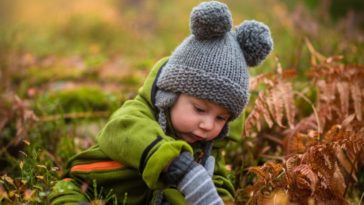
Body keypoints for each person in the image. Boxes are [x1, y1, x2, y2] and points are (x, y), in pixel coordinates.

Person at [49, 1, 273, 204]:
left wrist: (217, 197)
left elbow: (217, 182)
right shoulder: (138, 115)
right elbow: (121, 130)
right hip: (89, 188)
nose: (207, 124)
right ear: (170, 95)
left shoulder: (206, 150)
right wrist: (174, 164)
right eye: (199, 109)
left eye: (220, 118)